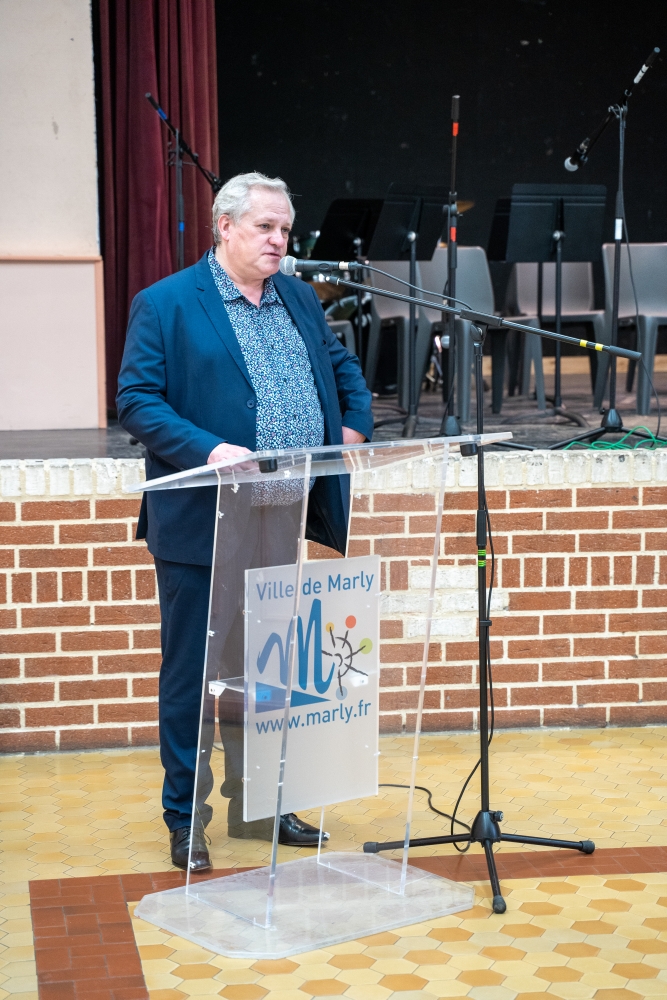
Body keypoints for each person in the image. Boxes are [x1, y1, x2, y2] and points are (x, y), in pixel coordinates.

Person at [117, 172, 373, 870]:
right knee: (196, 674)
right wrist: (209, 450)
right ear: (224, 226)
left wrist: (351, 428)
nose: (278, 240)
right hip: (205, 520)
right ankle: (185, 820)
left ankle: (262, 804)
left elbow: (342, 369)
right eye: (265, 227)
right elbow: (137, 400)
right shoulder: (166, 303)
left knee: (267, 669)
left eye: (285, 229)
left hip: (281, 514)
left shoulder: (297, 297)